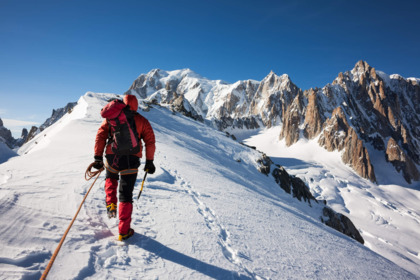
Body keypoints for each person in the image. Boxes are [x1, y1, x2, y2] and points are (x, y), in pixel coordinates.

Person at [93, 94, 156, 241]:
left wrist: (97, 157)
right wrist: (149, 161)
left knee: (111, 179)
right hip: (132, 160)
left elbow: (101, 135)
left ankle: (111, 204)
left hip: (112, 156)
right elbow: (150, 141)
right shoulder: (142, 121)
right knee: (126, 194)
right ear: (136, 105)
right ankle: (123, 231)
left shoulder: (112, 117)